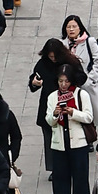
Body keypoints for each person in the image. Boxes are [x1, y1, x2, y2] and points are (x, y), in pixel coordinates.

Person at [46, 63, 97, 194]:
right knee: (60, 180)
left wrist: (72, 113)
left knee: (80, 180)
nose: (63, 85)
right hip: (59, 145)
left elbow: (89, 117)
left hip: (79, 144)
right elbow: (49, 121)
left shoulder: (81, 94)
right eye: (60, 81)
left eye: (66, 81)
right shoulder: (53, 97)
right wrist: (55, 115)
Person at [29, 39, 82, 178]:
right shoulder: (43, 63)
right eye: (50, 56)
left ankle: (69, 165)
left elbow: (82, 78)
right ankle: (54, 168)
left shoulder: (70, 63)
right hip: (49, 104)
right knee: (49, 138)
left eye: (54, 56)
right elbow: (34, 79)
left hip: (68, 103)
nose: (52, 59)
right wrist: (34, 82)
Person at [60, 13, 98, 90]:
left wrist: (90, 80)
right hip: (68, 87)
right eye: (68, 27)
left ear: (80, 28)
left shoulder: (90, 41)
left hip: (86, 85)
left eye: (74, 26)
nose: (71, 29)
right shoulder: (62, 44)